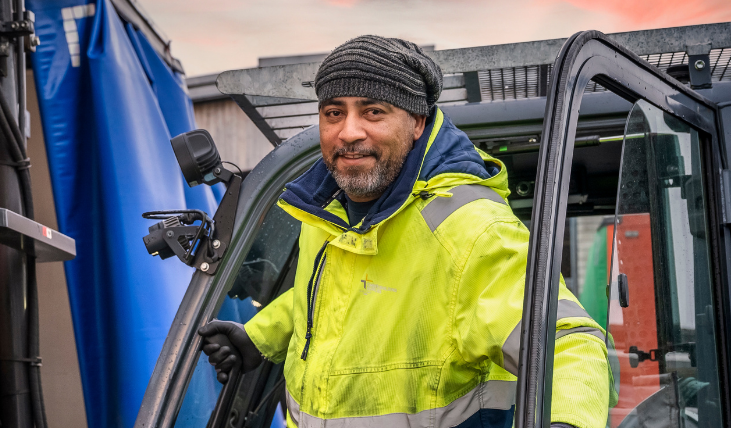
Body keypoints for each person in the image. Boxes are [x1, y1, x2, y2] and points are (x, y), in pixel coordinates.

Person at [196, 35, 611, 428]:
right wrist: (257, 338)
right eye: (333, 113)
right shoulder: (327, 217)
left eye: (373, 111)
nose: (349, 131)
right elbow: (336, 296)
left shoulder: (467, 228)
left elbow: (567, 341)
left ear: (417, 122)